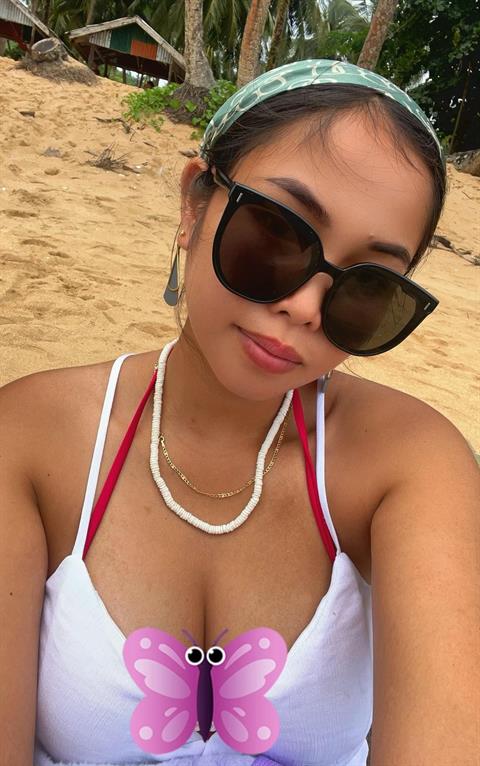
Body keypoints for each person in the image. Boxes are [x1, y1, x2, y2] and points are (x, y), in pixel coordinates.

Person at [1, 60, 478, 766]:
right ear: (194, 204)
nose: (306, 307)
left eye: (368, 286)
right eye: (277, 235)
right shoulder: (31, 437)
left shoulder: (411, 463)